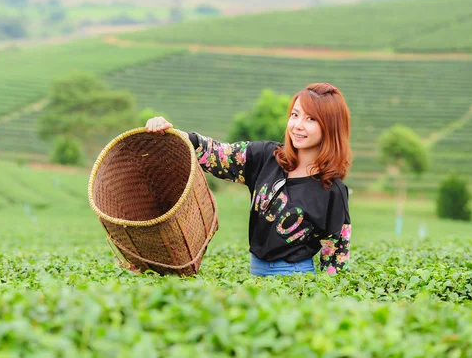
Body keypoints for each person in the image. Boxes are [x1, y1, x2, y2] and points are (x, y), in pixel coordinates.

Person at [146, 82, 352, 277]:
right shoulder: (267, 157)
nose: (298, 125)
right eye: (295, 115)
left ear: (330, 127)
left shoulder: (331, 190)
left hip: (295, 277)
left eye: (311, 119)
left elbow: (335, 258)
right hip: (256, 273)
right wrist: (174, 134)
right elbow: (217, 154)